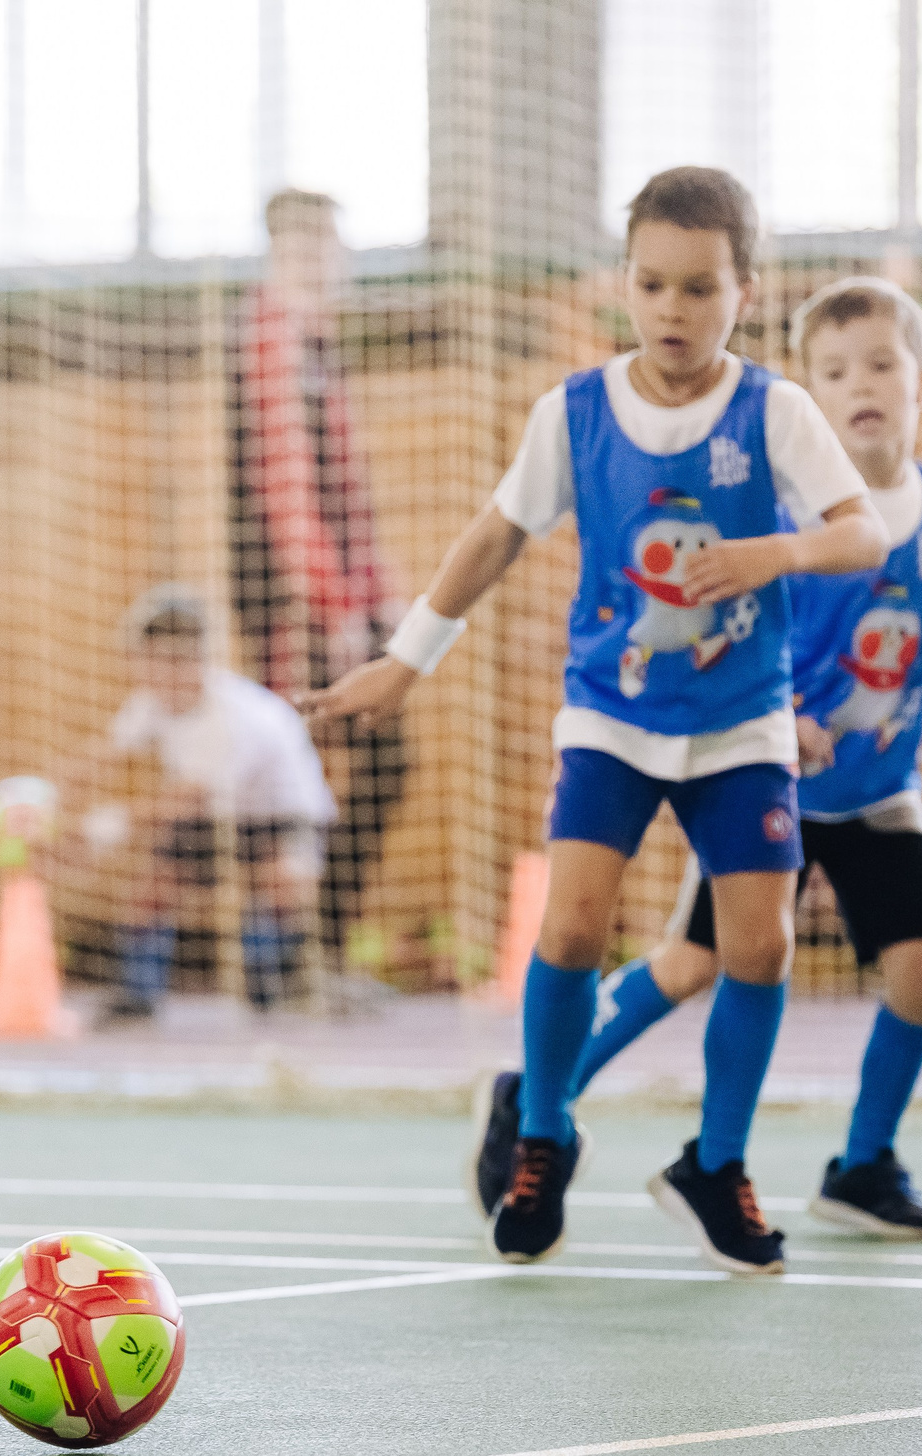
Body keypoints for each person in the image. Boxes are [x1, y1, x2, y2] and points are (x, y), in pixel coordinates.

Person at [303, 166, 888, 1275]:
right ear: (624, 282)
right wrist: (403, 659)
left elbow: (863, 534)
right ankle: (542, 1135)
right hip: (611, 716)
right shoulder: (573, 413)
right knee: (571, 929)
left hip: (741, 723)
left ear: (746, 293)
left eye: (700, 289)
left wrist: (770, 553)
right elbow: (494, 536)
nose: (674, 309)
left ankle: (716, 1164)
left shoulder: (775, 411)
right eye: (652, 284)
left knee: (760, 944)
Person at [565, 275, 922, 1237]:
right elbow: (727, 631)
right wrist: (786, 714)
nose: (862, 385)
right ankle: (539, 1095)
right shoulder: (789, 518)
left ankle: (862, 1166)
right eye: (835, 372)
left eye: (881, 364)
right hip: (765, 782)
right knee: (691, 964)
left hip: (879, 793)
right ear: (809, 398)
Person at [233, 189, 407, 1003]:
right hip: (294, 605)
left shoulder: (311, 343)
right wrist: (334, 606)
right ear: (294, 251)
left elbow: (344, 491)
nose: (335, 264)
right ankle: (290, 959)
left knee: (354, 762)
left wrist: (380, 591)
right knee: (307, 765)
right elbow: (287, 491)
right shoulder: (272, 339)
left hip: (331, 599)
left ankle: (304, 957)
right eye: (323, 248)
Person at [91, 586, 338, 1022]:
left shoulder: (234, 714)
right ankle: (137, 993)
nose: (166, 670)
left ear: (199, 658)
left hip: (283, 814)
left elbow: (189, 797)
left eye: (178, 658)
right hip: (215, 814)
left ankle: (272, 977)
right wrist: (49, 796)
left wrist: (115, 821)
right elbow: (104, 756)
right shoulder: (150, 703)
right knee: (153, 887)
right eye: (155, 658)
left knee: (284, 883)